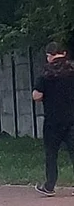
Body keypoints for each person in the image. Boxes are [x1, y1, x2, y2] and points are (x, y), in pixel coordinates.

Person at [32, 42, 74, 196]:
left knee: (51, 153)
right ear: (63, 53)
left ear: (49, 55)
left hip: (53, 120)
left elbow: (37, 96)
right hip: (72, 119)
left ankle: (49, 186)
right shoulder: (72, 69)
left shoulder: (46, 72)